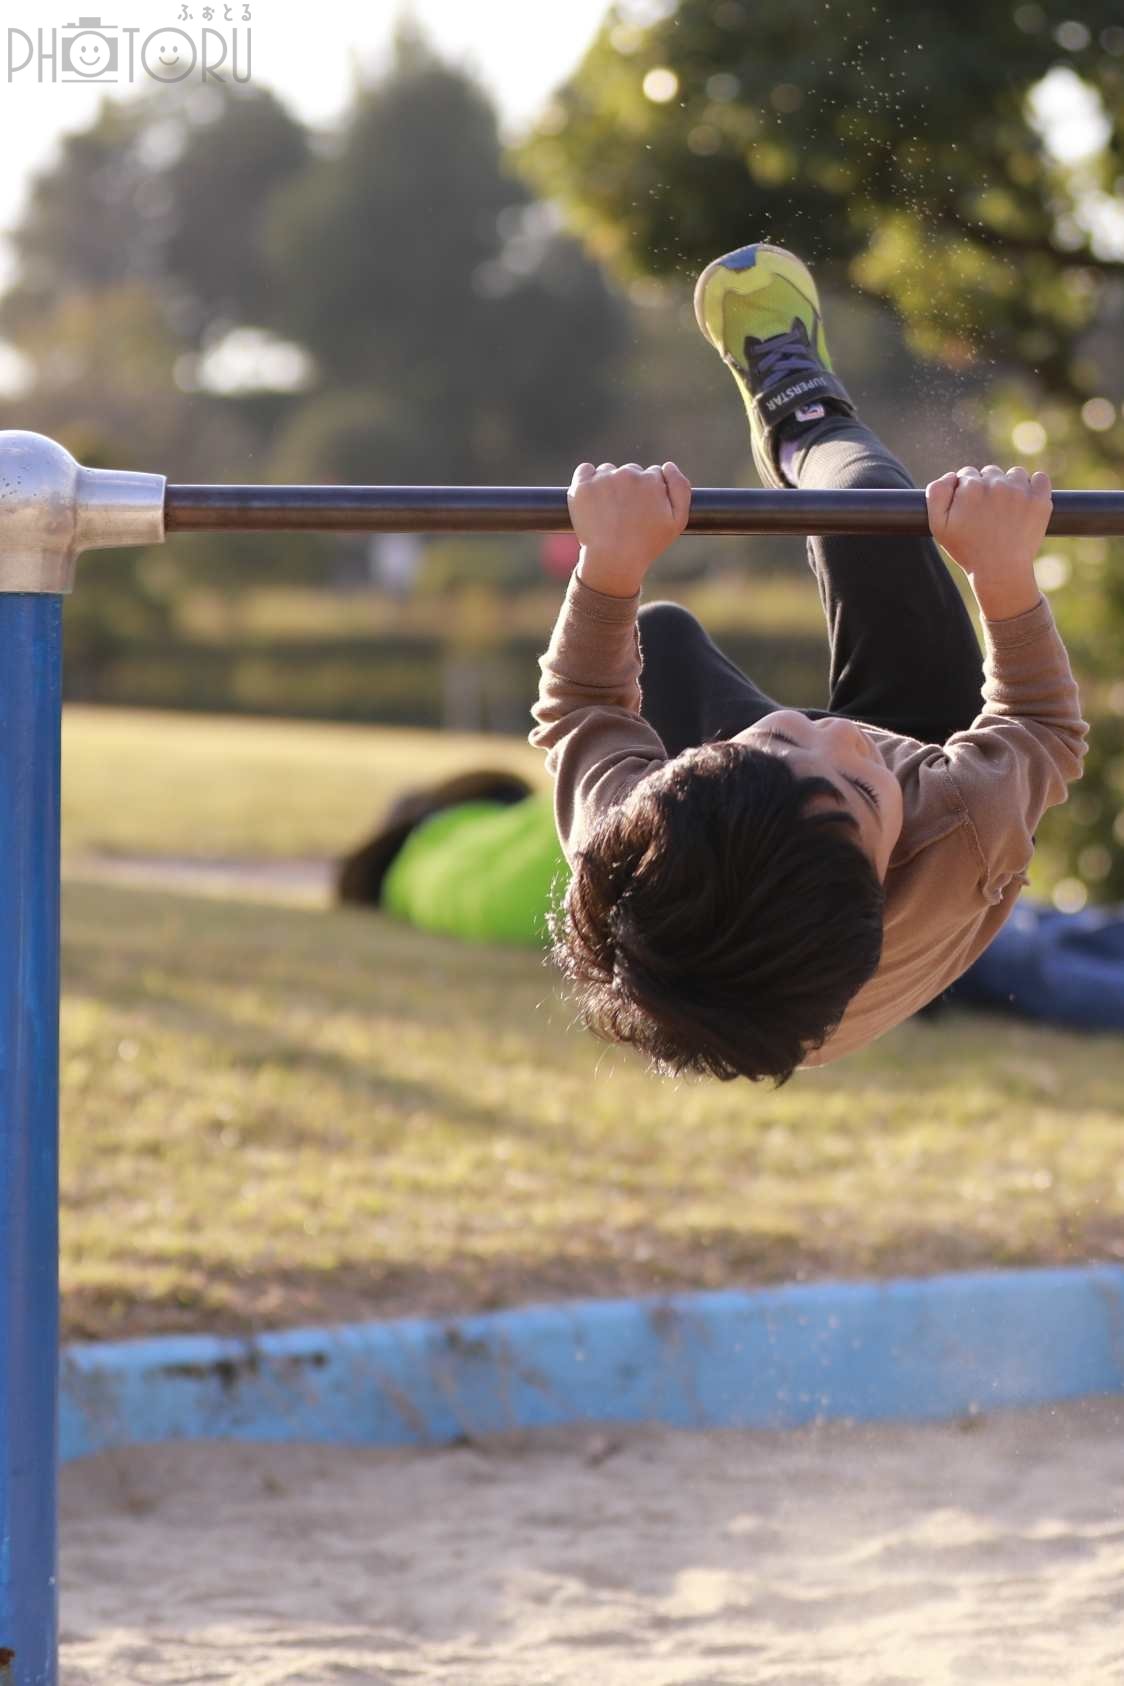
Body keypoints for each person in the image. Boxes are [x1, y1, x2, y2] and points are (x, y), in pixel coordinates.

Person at [525, 241, 1088, 1083]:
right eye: (857, 787)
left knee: (656, 637)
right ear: (879, 875)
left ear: (692, 769)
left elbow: (581, 707)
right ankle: (808, 419)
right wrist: (1003, 574)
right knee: (872, 512)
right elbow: (1042, 725)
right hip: (926, 767)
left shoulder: (632, 837)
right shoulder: (962, 828)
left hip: (757, 887)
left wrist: (607, 562)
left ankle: (792, 444)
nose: (845, 739)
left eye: (782, 740)